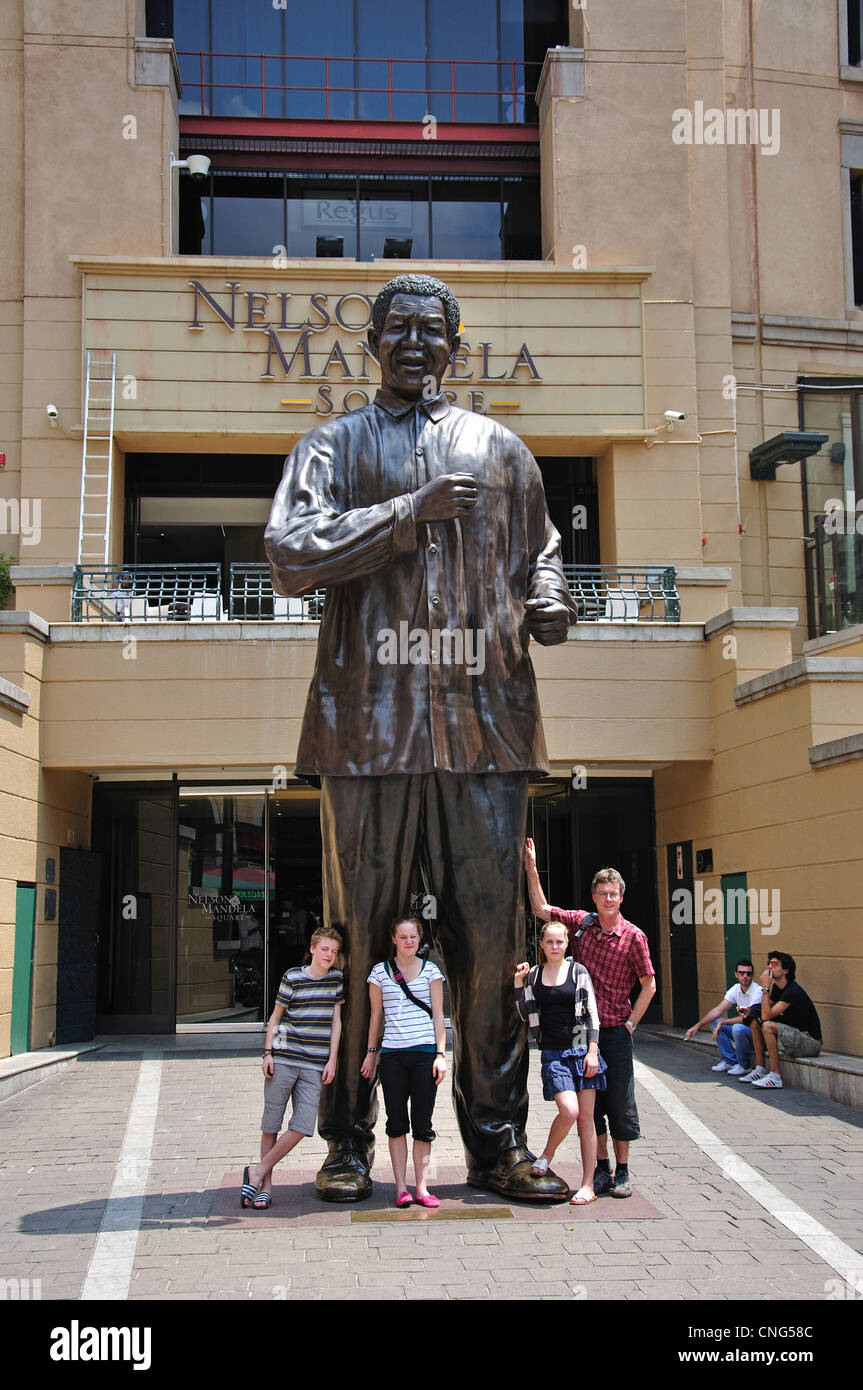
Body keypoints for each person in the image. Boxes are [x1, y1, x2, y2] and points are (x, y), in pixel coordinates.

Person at [265, 273, 576, 1203]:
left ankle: (496, 1143)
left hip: (486, 732)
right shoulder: (332, 444)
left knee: (491, 940)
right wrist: (406, 515)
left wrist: (551, 596)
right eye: (394, 328)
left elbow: (541, 551)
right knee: (361, 938)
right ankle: (348, 1143)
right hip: (367, 734)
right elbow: (288, 555)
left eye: (428, 330)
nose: (412, 343)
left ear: (454, 344)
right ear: (371, 343)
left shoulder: (501, 450)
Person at [523, 838, 656, 1198]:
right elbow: (541, 909)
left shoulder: (634, 937)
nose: (608, 899)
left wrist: (630, 1025)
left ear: (621, 897)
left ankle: (623, 1170)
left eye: (613, 894)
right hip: (581, 1035)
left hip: (614, 1031)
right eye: (602, 894)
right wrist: (532, 866)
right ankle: (601, 1169)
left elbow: (649, 985)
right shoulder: (582, 925)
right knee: (590, 1106)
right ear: (594, 897)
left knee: (620, 1103)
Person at [240, 924, 343, 1210]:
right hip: (285, 1058)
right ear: (312, 949)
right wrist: (268, 1053)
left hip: (314, 1064)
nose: (329, 955)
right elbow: (276, 1018)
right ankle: (265, 1187)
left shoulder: (336, 979)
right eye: (324, 949)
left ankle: (256, 1171)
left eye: (334, 952)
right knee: (271, 1124)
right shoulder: (293, 977)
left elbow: (336, 1022)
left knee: (302, 1126)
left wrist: (332, 1059)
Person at [514, 920, 607, 1204]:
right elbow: (524, 1014)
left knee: (586, 1121)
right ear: (541, 945)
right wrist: (518, 984)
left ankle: (588, 1184)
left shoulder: (578, 972)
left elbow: (592, 1014)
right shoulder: (534, 976)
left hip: (581, 1051)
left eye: (560, 941)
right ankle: (546, 1155)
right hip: (553, 1053)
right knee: (569, 1110)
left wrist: (592, 1052)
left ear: (567, 943)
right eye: (549, 941)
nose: (555, 946)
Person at [361, 917, 447, 1208]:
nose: (409, 941)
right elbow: (376, 1017)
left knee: (423, 1124)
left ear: (419, 940)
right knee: (396, 1123)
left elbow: (438, 1016)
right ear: (394, 939)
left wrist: (441, 1054)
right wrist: (371, 1053)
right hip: (393, 1055)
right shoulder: (379, 973)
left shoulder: (432, 970)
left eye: (413, 937)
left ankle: (421, 1186)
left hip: (425, 1055)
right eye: (403, 936)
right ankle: (401, 1188)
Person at [739, 951, 822, 1089]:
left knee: (767, 1026)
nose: (769, 967)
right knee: (754, 1021)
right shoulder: (778, 988)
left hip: (810, 1042)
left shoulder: (792, 991)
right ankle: (760, 1069)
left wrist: (765, 988)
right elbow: (766, 1007)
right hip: (794, 1036)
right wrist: (751, 1011)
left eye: (774, 964)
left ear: (785, 970)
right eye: (768, 964)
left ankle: (775, 1076)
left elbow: (767, 1015)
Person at [684, 959, 762, 1075]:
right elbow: (718, 1010)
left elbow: (747, 1018)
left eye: (748, 973)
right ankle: (730, 1061)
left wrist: (723, 1023)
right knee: (716, 1022)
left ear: (752, 975)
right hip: (743, 1030)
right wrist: (697, 1026)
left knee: (736, 1028)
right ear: (736, 974)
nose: (745, 976)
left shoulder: (757, 991)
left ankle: (744, 1066)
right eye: (741, 973)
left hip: (756, 1033)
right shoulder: (736, 989)